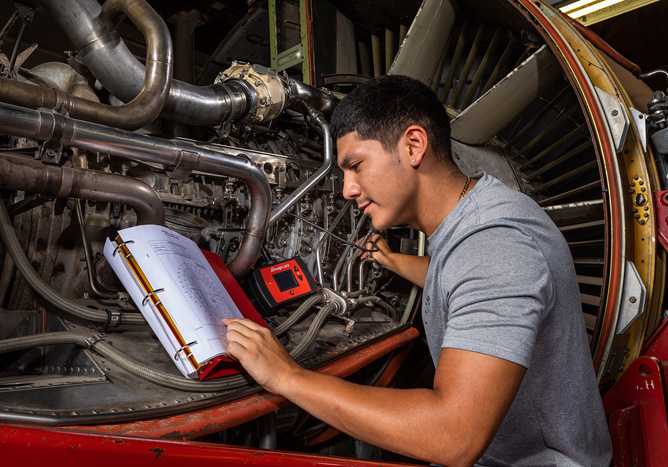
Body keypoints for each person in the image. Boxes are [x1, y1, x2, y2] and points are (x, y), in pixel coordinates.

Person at [224, 75, 612, 466]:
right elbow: (458, 282)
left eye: (356, 166)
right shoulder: (479, 215)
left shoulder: (495, 246)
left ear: (413, 145)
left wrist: (287, 376)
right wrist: (392, 260)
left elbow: (452, 437)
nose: (347, 189)